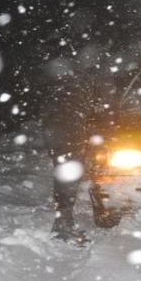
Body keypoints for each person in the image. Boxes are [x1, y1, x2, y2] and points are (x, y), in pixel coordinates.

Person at [39, 66, 102, 244]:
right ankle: (62, 227)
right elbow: (82, 117)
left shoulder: (60, 94)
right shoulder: (71, 97)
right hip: (67, 140)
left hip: (60, 139)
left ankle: (65, 223)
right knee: (67, 181)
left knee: (65, 180)